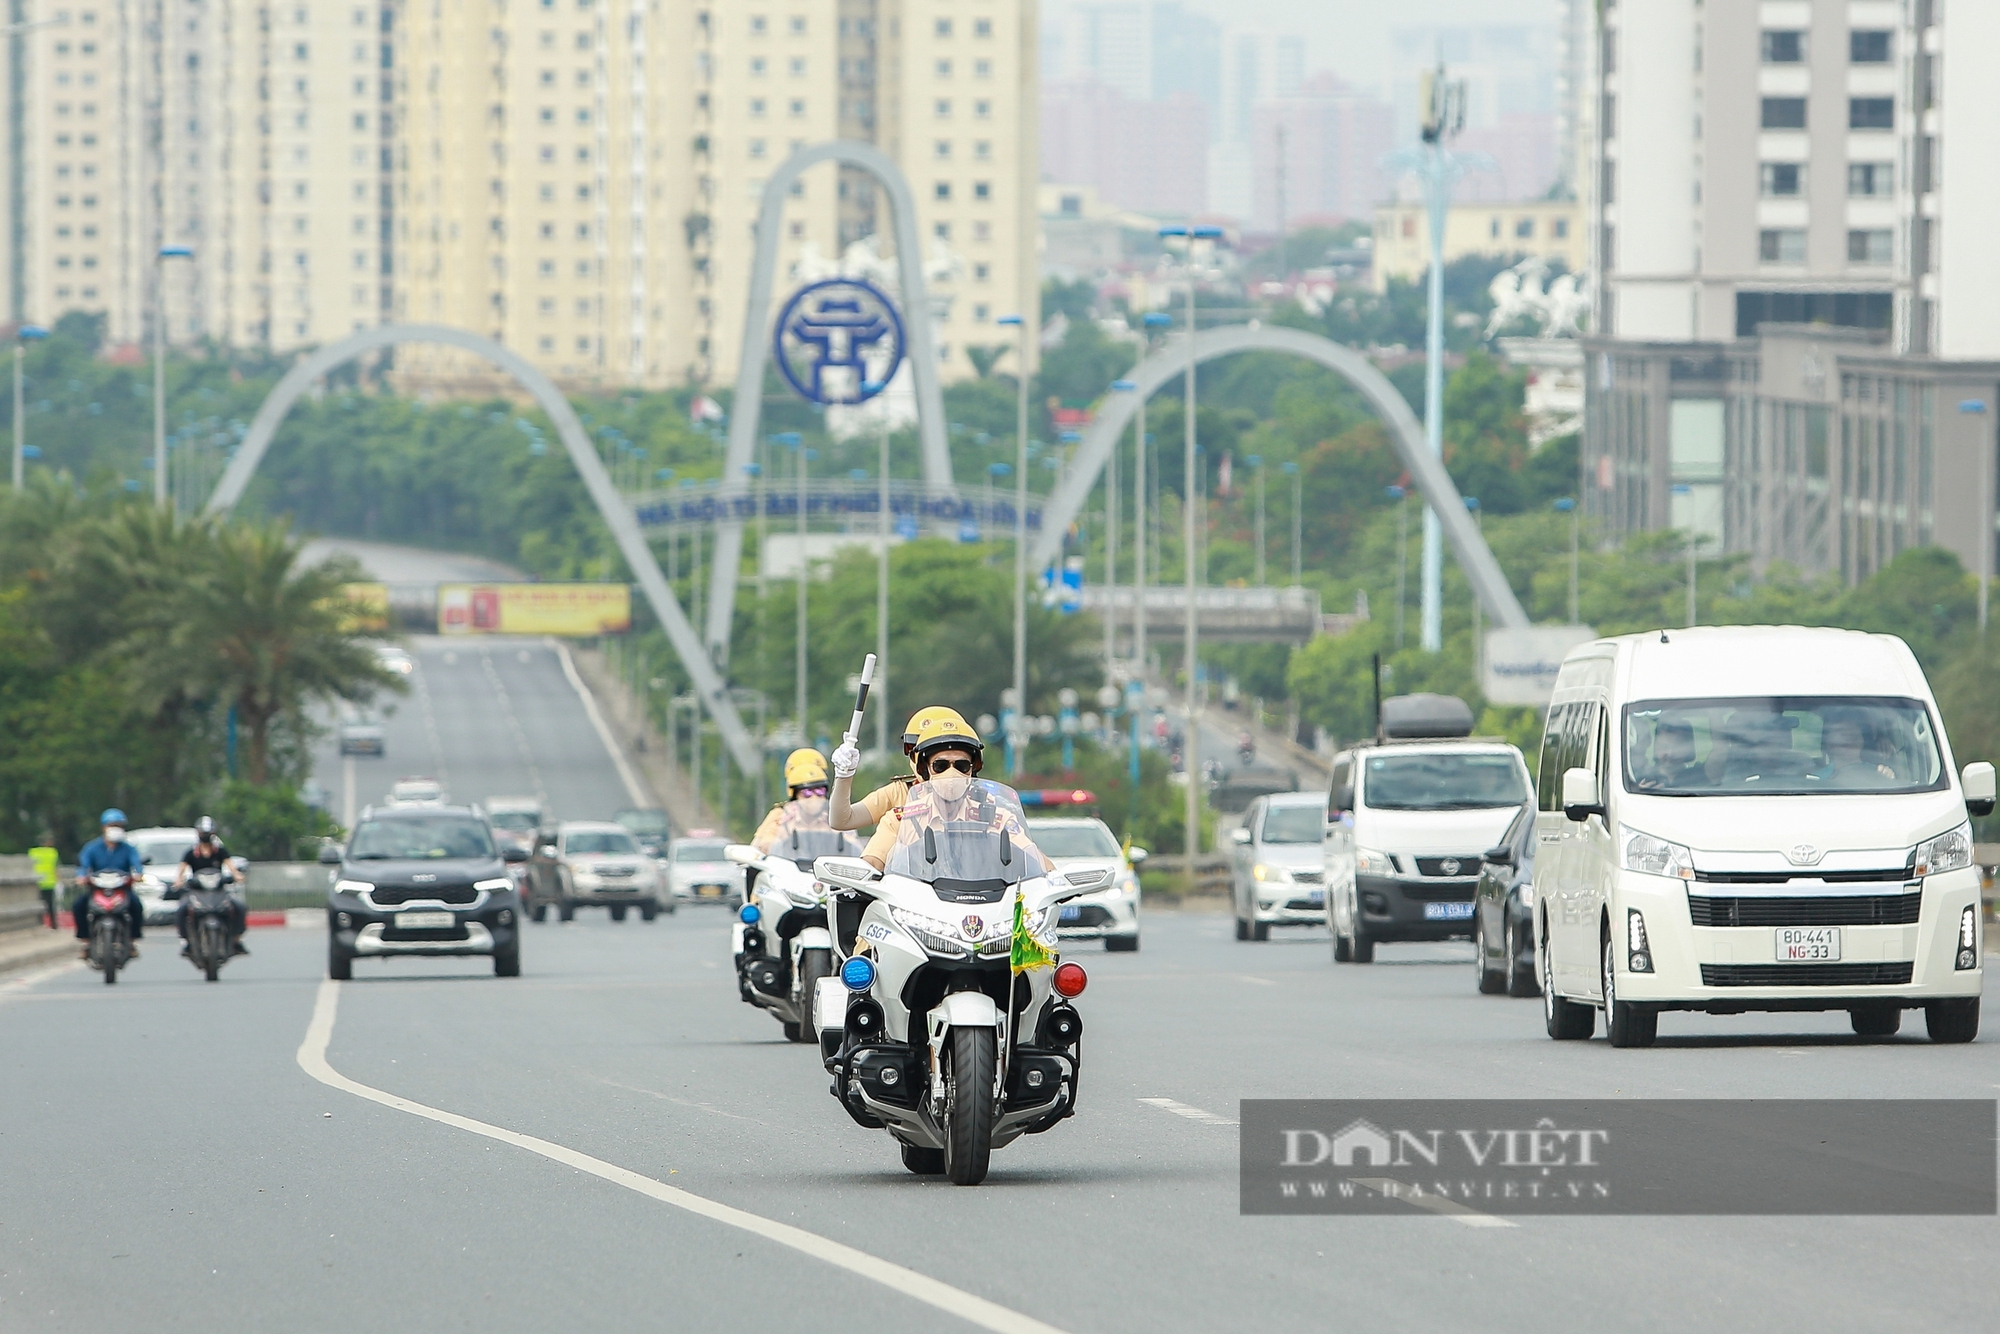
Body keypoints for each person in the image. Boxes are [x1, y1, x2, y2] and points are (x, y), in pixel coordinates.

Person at [828, 706, 971, 835]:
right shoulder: (899, 793)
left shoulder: (980, 801)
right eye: (914, 747)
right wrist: (844, 775)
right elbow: (842, 820)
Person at [168, 816, 248, 957]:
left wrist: (237, 875)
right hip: (196, 892)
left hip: (218, 891)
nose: (206, 836)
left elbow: (231, 865)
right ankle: (187, 942)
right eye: (203, 833)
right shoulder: (191, 853)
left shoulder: (220, 851)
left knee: (239, 907)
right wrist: (178, 880)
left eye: (208, 833)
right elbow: (182, 869)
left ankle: (236, 940)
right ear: (198, 833)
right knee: (181, 910)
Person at [72, 808, 144, 958]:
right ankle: (86, 941)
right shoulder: (92, 848)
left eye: (119, 826)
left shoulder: (128, 849)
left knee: (136, 905)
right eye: (112, 825)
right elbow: (83, 865)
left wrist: (138, 874)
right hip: (98, 889)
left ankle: (131, 941)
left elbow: (136, 863)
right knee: (78, 905)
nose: (116, 829)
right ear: (104, 827)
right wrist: (81, 877)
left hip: (122, 889)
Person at [751, 749, 834, 853]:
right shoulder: (781, 816)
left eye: (819, 790)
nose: (814, 797)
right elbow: (762, 844)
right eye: (806, 792)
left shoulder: (835, 816)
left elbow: (851, 844)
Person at [29, 834, 59, 931]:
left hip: (37, 883)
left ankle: (40, 923)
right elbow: (55, 868)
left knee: (38, 905)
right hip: (50, 882)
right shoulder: (53, 852)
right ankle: (54, 925)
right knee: (51, 905)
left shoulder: (33, 852)